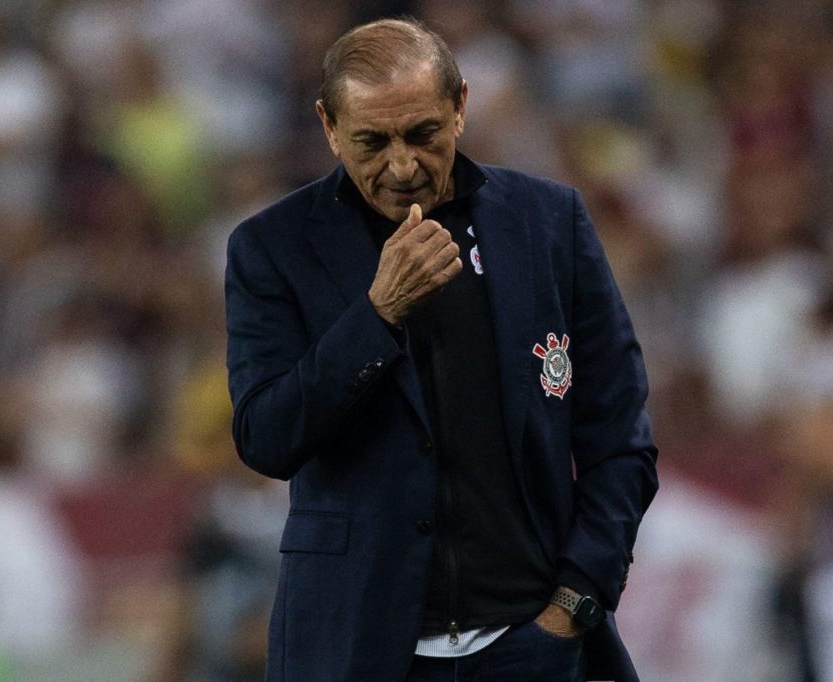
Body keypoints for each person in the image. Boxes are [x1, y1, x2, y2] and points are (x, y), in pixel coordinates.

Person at [224, 18, 658, 682]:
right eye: (371, 141)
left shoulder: (547, 225)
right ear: (328, 126)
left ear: (459, 107)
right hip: (359, 653)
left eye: (422, 134)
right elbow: (266, 437)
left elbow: (619, 439)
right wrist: (376, 315)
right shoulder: (273, 249)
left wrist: (573, 604)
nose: (401, 166)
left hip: (533, 647)